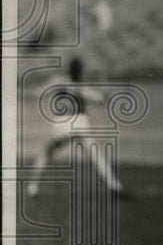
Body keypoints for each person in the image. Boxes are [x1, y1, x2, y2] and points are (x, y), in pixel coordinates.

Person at [27, 56, 124, 197]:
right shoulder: (81, 86)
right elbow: (100, 100)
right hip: (80, 122)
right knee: (96, 155)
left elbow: (39, 92)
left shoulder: (59, 81)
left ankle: (33, 186)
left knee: (45, 154)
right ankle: (113, 184)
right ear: (81, 70)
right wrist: (107, 94)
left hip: (61, 123)